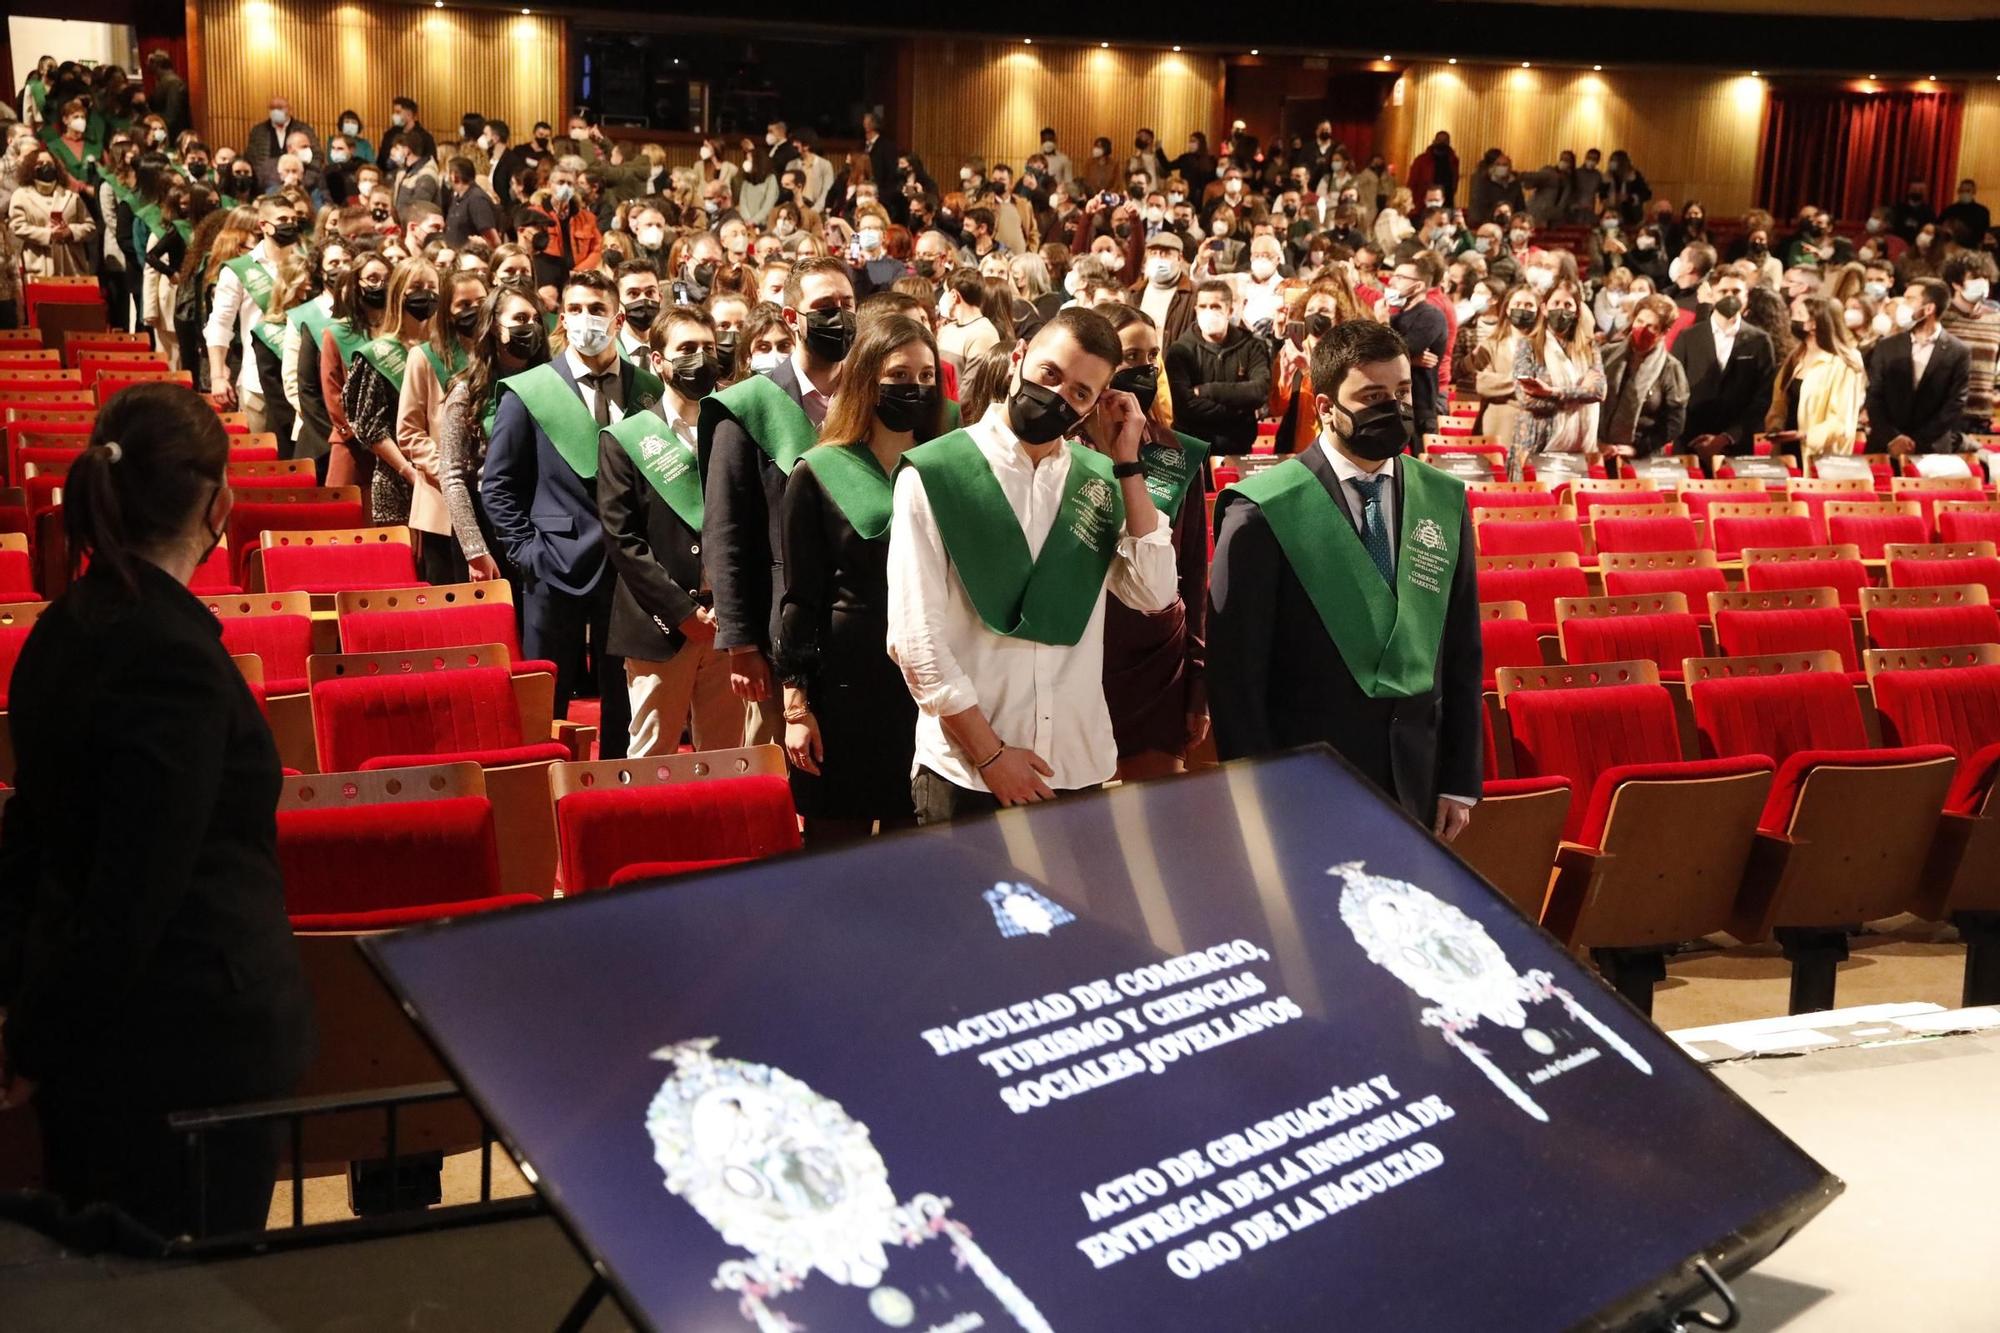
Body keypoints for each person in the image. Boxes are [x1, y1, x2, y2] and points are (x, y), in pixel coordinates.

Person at [0, 384, 314, 1237]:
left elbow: (30, 837)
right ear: (217, 502)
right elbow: (135, 885)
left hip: (106, 1041)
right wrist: (35, 1043)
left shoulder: (61, 629)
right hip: (179, 1048)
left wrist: (29, 1022)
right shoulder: (169, 654)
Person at [887, 307, 1172, 820]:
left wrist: (1128, 463)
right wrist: (992, 756)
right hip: (968, 773)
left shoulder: (1100, 480)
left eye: (1081, 393)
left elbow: (1154, 593)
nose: (1061, 396)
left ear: (1092, 408)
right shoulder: (937, 473)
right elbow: (915, 643)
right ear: (1018, 358)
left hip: (1075, 766)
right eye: (1050, 374)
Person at [1208, 319, 1481, 838]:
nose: (1395, 408)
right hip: (1308, 783)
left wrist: (1458, 779)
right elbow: (1235, 678)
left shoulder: (1443, 499)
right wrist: (1258, 792)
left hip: (1418, 780)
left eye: (1402, 392)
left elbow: (1462, 649)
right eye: (1373, 395)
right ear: (1326, 408)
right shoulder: (1263, 512)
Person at [483, 270, 665, 756]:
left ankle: (612, 792)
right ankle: (545, 796)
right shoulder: (531, 389)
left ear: (618, 318)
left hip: (630, 568)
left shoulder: (648, 388)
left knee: (622, 698)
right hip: (553, 564)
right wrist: (526, 553)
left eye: (598, 310)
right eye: (577, 310)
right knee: (547, 701)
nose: (588, 320)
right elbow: (497, 485)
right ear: (562, 319)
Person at [774, 315, 941, 841]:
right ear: (868, 377)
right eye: (899, 374)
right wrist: (797, 707)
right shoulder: (819, 470)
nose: (914, 388)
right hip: (844, 686)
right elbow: (801, 597)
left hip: (928, 684)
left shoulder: (946, 466)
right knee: (836, 848)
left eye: (926, 376)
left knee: (912, 842)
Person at [702, 256, 856, 747]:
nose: (840, 316)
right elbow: (724, 531)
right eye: (825, 306)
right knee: (776, 778)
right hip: (776, 627)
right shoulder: (750, 404)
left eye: (848, 304)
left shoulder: (870, 397)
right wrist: (740, 642)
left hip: (857, 618)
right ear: (793, 318)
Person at [597, 304, 739, 759]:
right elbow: (624, 542)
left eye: (708, 348)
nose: (700, 357)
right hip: (659, 628)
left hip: (728, 624)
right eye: (686, 349)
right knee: (652, 759)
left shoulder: (734, 429)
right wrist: (682, 613)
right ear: (658, 361)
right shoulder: (625, 438)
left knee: (725, 760)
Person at [1099, 304, 1210, 780]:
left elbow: (1194, 567)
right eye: (1130, 356)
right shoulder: (1062, 449)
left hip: (1159, 661)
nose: (1144, 367)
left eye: (1152, 356)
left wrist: (1197, 681)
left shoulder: (1176, 451)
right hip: (1083, 655)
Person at [440, 284, 547, 583]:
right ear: (495, 328)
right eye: (521, 318)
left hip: (543, 526)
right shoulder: (467, 392)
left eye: (536, 319)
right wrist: (475, 550)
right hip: (489, 529)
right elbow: (452, 475)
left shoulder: (551, 383)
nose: (531, 327)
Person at [396, 266, 488, 579]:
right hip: (442, 499)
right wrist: (451, 473)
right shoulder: (425, 357)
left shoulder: (496, 356)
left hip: (490, 494)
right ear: (447, 312)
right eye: (463, 305)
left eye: (481, 301)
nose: (473, 310)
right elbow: (409, 432)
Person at [344, 257, 441, 525]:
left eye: (432, 287)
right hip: (397, 481)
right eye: (417, 287)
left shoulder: (445, 352)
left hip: (444, 477)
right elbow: (370, 427)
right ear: (399, 293)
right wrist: (408, 471)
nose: (426, 294)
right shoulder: (378, 353)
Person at [204, 195, 304, 432]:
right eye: (282, 219)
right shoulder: (239, 270)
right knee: (262, 459)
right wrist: (218, 376)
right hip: (257, 380)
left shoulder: (306, 265)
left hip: (302, 382)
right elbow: (219, 325)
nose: (289, 224)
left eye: (293, 219)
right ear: (263, 225)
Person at [1672, 264, 1776, 460]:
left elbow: (1762, 397)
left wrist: (1727, 437)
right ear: (1712, 295)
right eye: (1723, 291)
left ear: (1746, 297)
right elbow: (1676, 390)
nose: (1730, 296)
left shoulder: (1760, 341)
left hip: (1736, 446)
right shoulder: (1688, 337)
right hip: (1690, 442)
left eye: (1736, 291)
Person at [1865, 278, 1970, 457]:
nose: (1902, 305)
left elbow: (1955, 403)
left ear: (1929, 308)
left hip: (1932, 451)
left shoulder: (1958, 351)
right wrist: (1893, 438)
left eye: (1909, 299)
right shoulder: (1887, 346)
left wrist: (1916, 442)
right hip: (1884, 447)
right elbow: (1874, 396)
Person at [1165, 280, 1271, 455]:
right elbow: (1184, 405)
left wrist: (1208, 390)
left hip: (1238, 447)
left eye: (1215, 307)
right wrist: (1241, 408)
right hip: (1192, 449)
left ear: (1230, 310)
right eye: (1203, 306)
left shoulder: (1251, 346)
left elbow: (1259, 392)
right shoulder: (1180, 351)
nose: (1209, 312)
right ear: (1196, 310)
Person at [1510, 277, 1605, 470]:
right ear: (1544, 309)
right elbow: (1526, 399)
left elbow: (1598, 391)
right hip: (1536, 442)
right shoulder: (1528, 345)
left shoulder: (1589, 347)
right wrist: (1579, 393)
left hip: (1578, 446)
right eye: (1556, 303)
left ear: (1577, 312)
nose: (1561, 309)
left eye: (1568, 305)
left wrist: (1552, 392)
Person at [1765, 294, 1864, 469]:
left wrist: (1806, 434)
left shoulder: (1842, 363)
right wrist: (1775, 426)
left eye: (1799, 314)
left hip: (1820, 456)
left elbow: (1841, 419)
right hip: (1787, 450)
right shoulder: (1795, 357)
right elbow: (1780, 400)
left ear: (1814, 324)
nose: (1792, 319)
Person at [281, 236, 349, 474]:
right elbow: (293, 383)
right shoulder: (302, 316)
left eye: (346, 261)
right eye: (333, 263)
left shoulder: (365, 313)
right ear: (320, 270)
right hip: (317, 433)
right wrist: (335, 427)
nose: (340, 268)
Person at [1599, 294, 1690, 460]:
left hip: (1642, 456)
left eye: (1652, 327)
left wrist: (1637, 449)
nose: (1642, 329)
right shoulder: (1607, 354)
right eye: (1640, 322)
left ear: (1664, 331)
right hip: (1600, 449)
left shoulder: (1671, 368)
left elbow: (1674, 424)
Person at [1468, 283, 1538, 456]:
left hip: (1535, 425)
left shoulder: (1547, 347)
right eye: (1517, 304)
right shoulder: (1490, 345)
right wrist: (1525, 382)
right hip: (1498, 425)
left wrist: (1504, 384)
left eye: (1529, 305)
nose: (1522, 309)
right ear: (1507, 309)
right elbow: (1483, 384)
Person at [1384, 255, 1449, 439]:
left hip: (1419, 408)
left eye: (1401, 277)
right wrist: (1410, 360)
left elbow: (1396, 351)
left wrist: (1405, 357)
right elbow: (1380, 356)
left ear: (1419, 285)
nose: (1392, 281)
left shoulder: (1431, 316)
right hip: (1395, 404)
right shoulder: (1396, 317)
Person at [8, 145, 95, 276]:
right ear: (31, 168)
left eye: (49, 163)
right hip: (39, 267)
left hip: (72, 267)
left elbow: (90, 227)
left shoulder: (71, 196)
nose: (45, 166)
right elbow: (17, 226)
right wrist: (47, 234)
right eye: (40, 163)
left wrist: (70, 231)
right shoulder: (21, 195)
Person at [1940, 254, 2000, 436]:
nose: (1982, 283)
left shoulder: (1997, 320)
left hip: (1981, 416)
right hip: (1943, 416)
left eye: (1985, 278)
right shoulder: (1940, 319)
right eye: (1974, 278)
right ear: (1956, 284)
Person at [378, 96, 436, 172]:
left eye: (398, 112)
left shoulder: (425, 137)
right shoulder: (389, 134)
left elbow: (430, 161)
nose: (394, 115)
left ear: (409, 114)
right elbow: (381, 160)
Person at [1940, 180, 1990, 249]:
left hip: (1973, 247)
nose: (1964, 193)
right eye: (1962, 190)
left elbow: (1985, 232)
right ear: (1958, 191)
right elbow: (1941, 227)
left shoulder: (1982, 211)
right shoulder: (1950, 210)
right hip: (1952, 247)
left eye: (1968, 191)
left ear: (1974, 192)